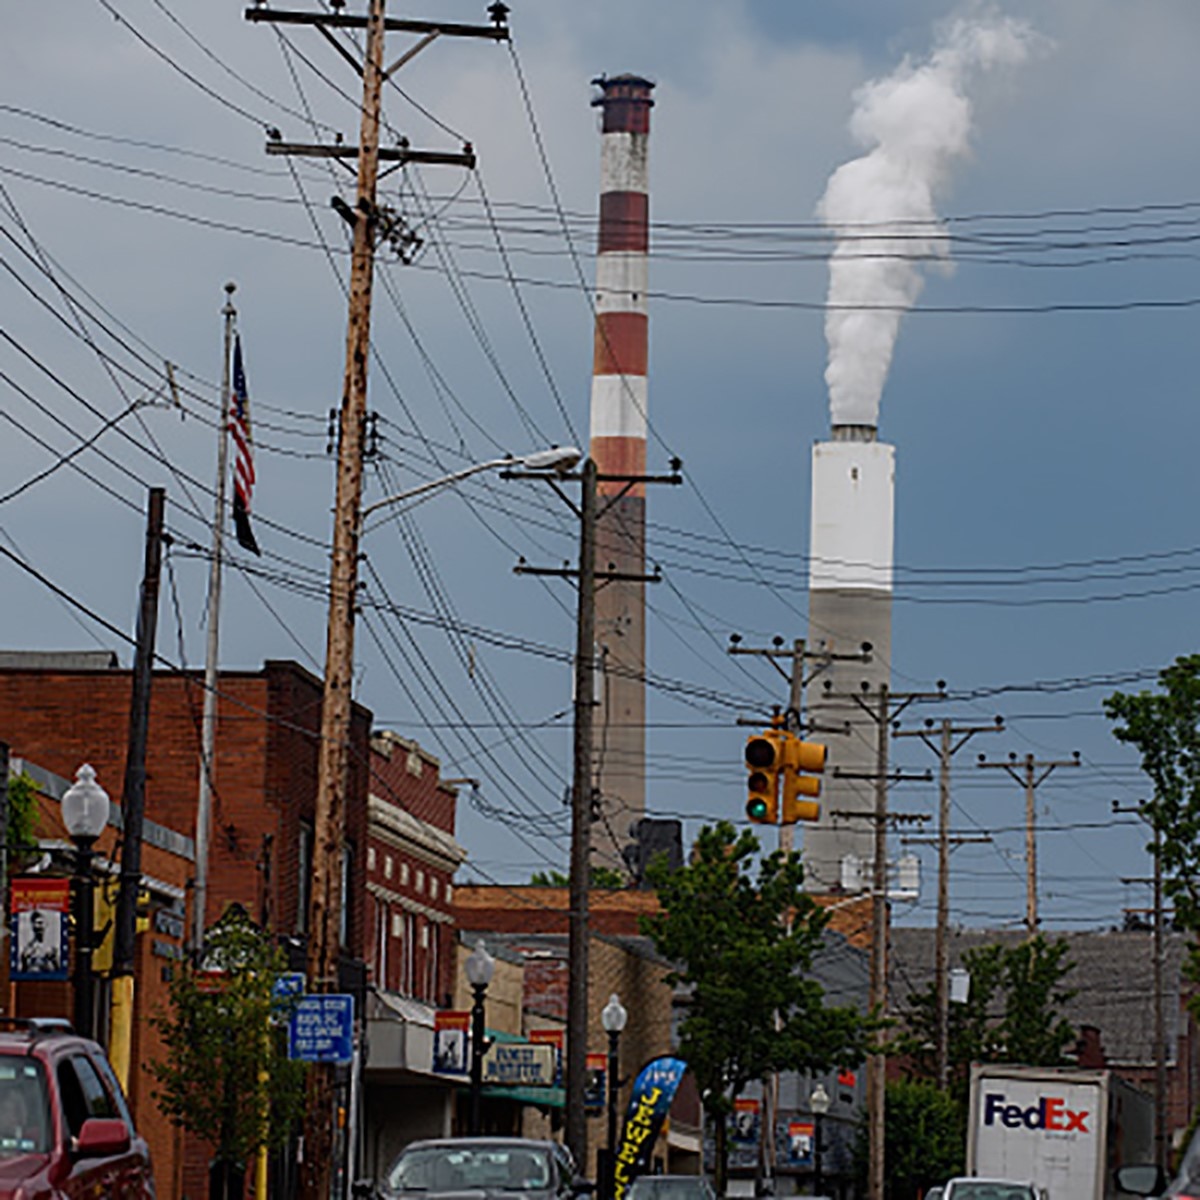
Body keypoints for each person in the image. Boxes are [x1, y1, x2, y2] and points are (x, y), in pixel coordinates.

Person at [18, 910, 60, 975]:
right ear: (32, 926)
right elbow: (21, 973)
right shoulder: (27, 949)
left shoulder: (52, 948)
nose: (38, 926)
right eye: (35, 923)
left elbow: (59, 972)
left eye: (40, 923)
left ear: (46, 924)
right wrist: (24, 961)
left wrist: (54, 961)